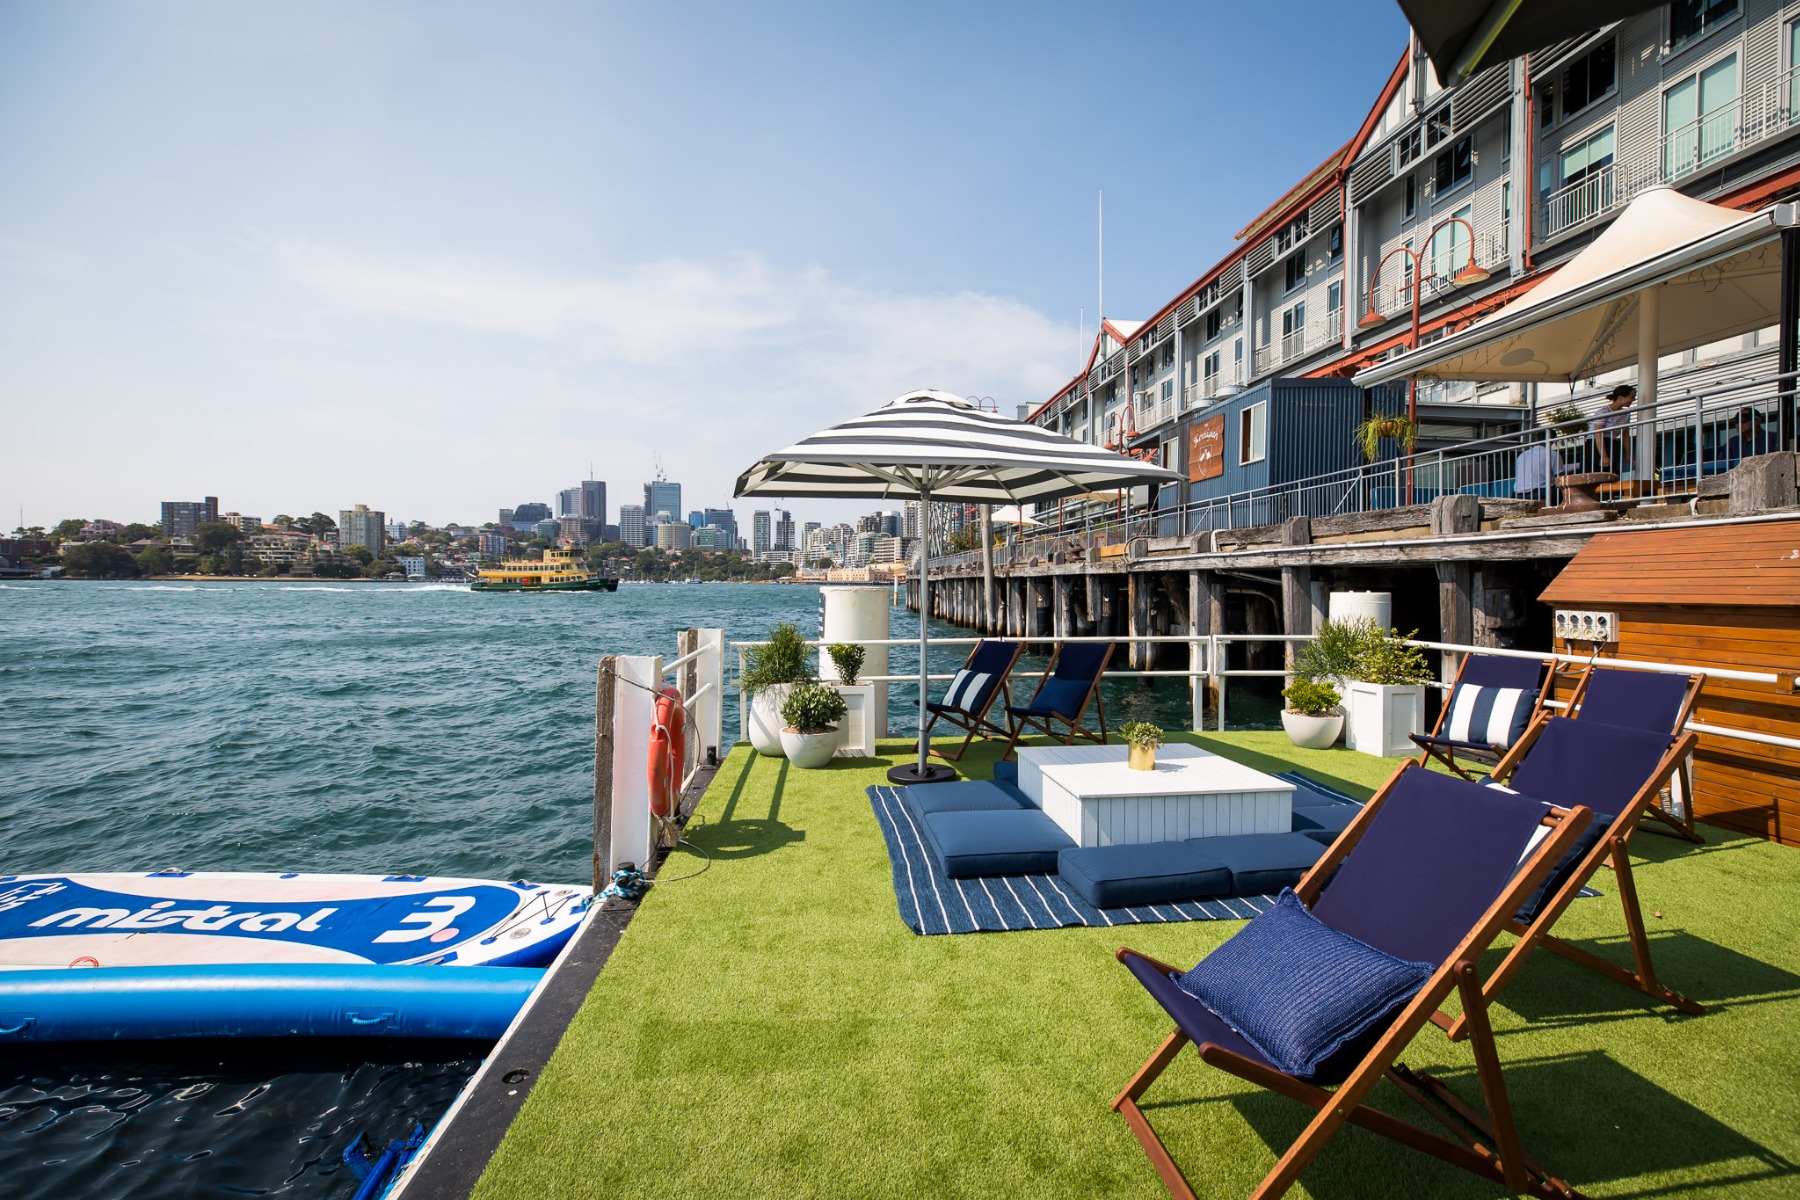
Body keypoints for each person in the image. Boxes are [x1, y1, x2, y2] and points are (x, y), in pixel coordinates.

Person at [1590, 384, 1636, 475]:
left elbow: (1625, 435)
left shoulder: (1626, 414)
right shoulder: (1603, 412)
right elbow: (1598, 434)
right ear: (1621, 398)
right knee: (1597, 474)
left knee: (1612, 474)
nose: (1633, 399)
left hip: (1612, 443)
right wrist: (1603, 456)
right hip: (1595, 445)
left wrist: (1628, 454)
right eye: (1632, 397)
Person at [1514, 437, 1559, 503]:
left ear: (1536, 440)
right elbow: (1560, 477)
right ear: (1552, 440)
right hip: (1540, 492)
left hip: (1518, 493)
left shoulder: (1522, 455)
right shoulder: (1552, 454)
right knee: (1561, 488)